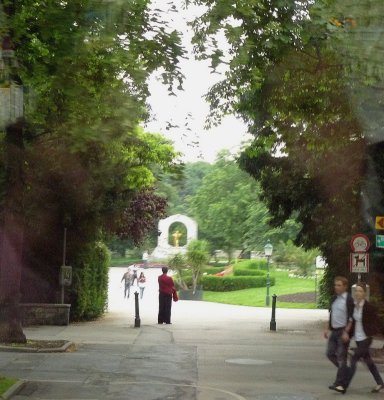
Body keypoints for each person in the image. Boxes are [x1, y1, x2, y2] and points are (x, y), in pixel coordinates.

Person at [343, 282, 384, 394]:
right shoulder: (354, 306)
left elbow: (378, 322)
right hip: (358, 339)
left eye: (360, 291)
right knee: (369, 362)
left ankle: (343, 385)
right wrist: (347, 333)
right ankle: (380, 382)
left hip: (366, 338)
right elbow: (352, 322)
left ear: (364, 294)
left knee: (354, 359)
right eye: (356, 291)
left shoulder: (369, 307)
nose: (358, 293)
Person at [324, 276, 354, 394]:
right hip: (334, 331)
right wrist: (326, 328)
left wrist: (347, 332)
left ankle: (339, 383)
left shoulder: (349, 300)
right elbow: (330, 314)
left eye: (339, 285)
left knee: (342, 358)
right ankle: (345, 373)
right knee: (330, 354)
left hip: (343, 331)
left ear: (345, 287)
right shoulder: (334, 299)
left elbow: (351, 318)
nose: (336, 287)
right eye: (335, 285)